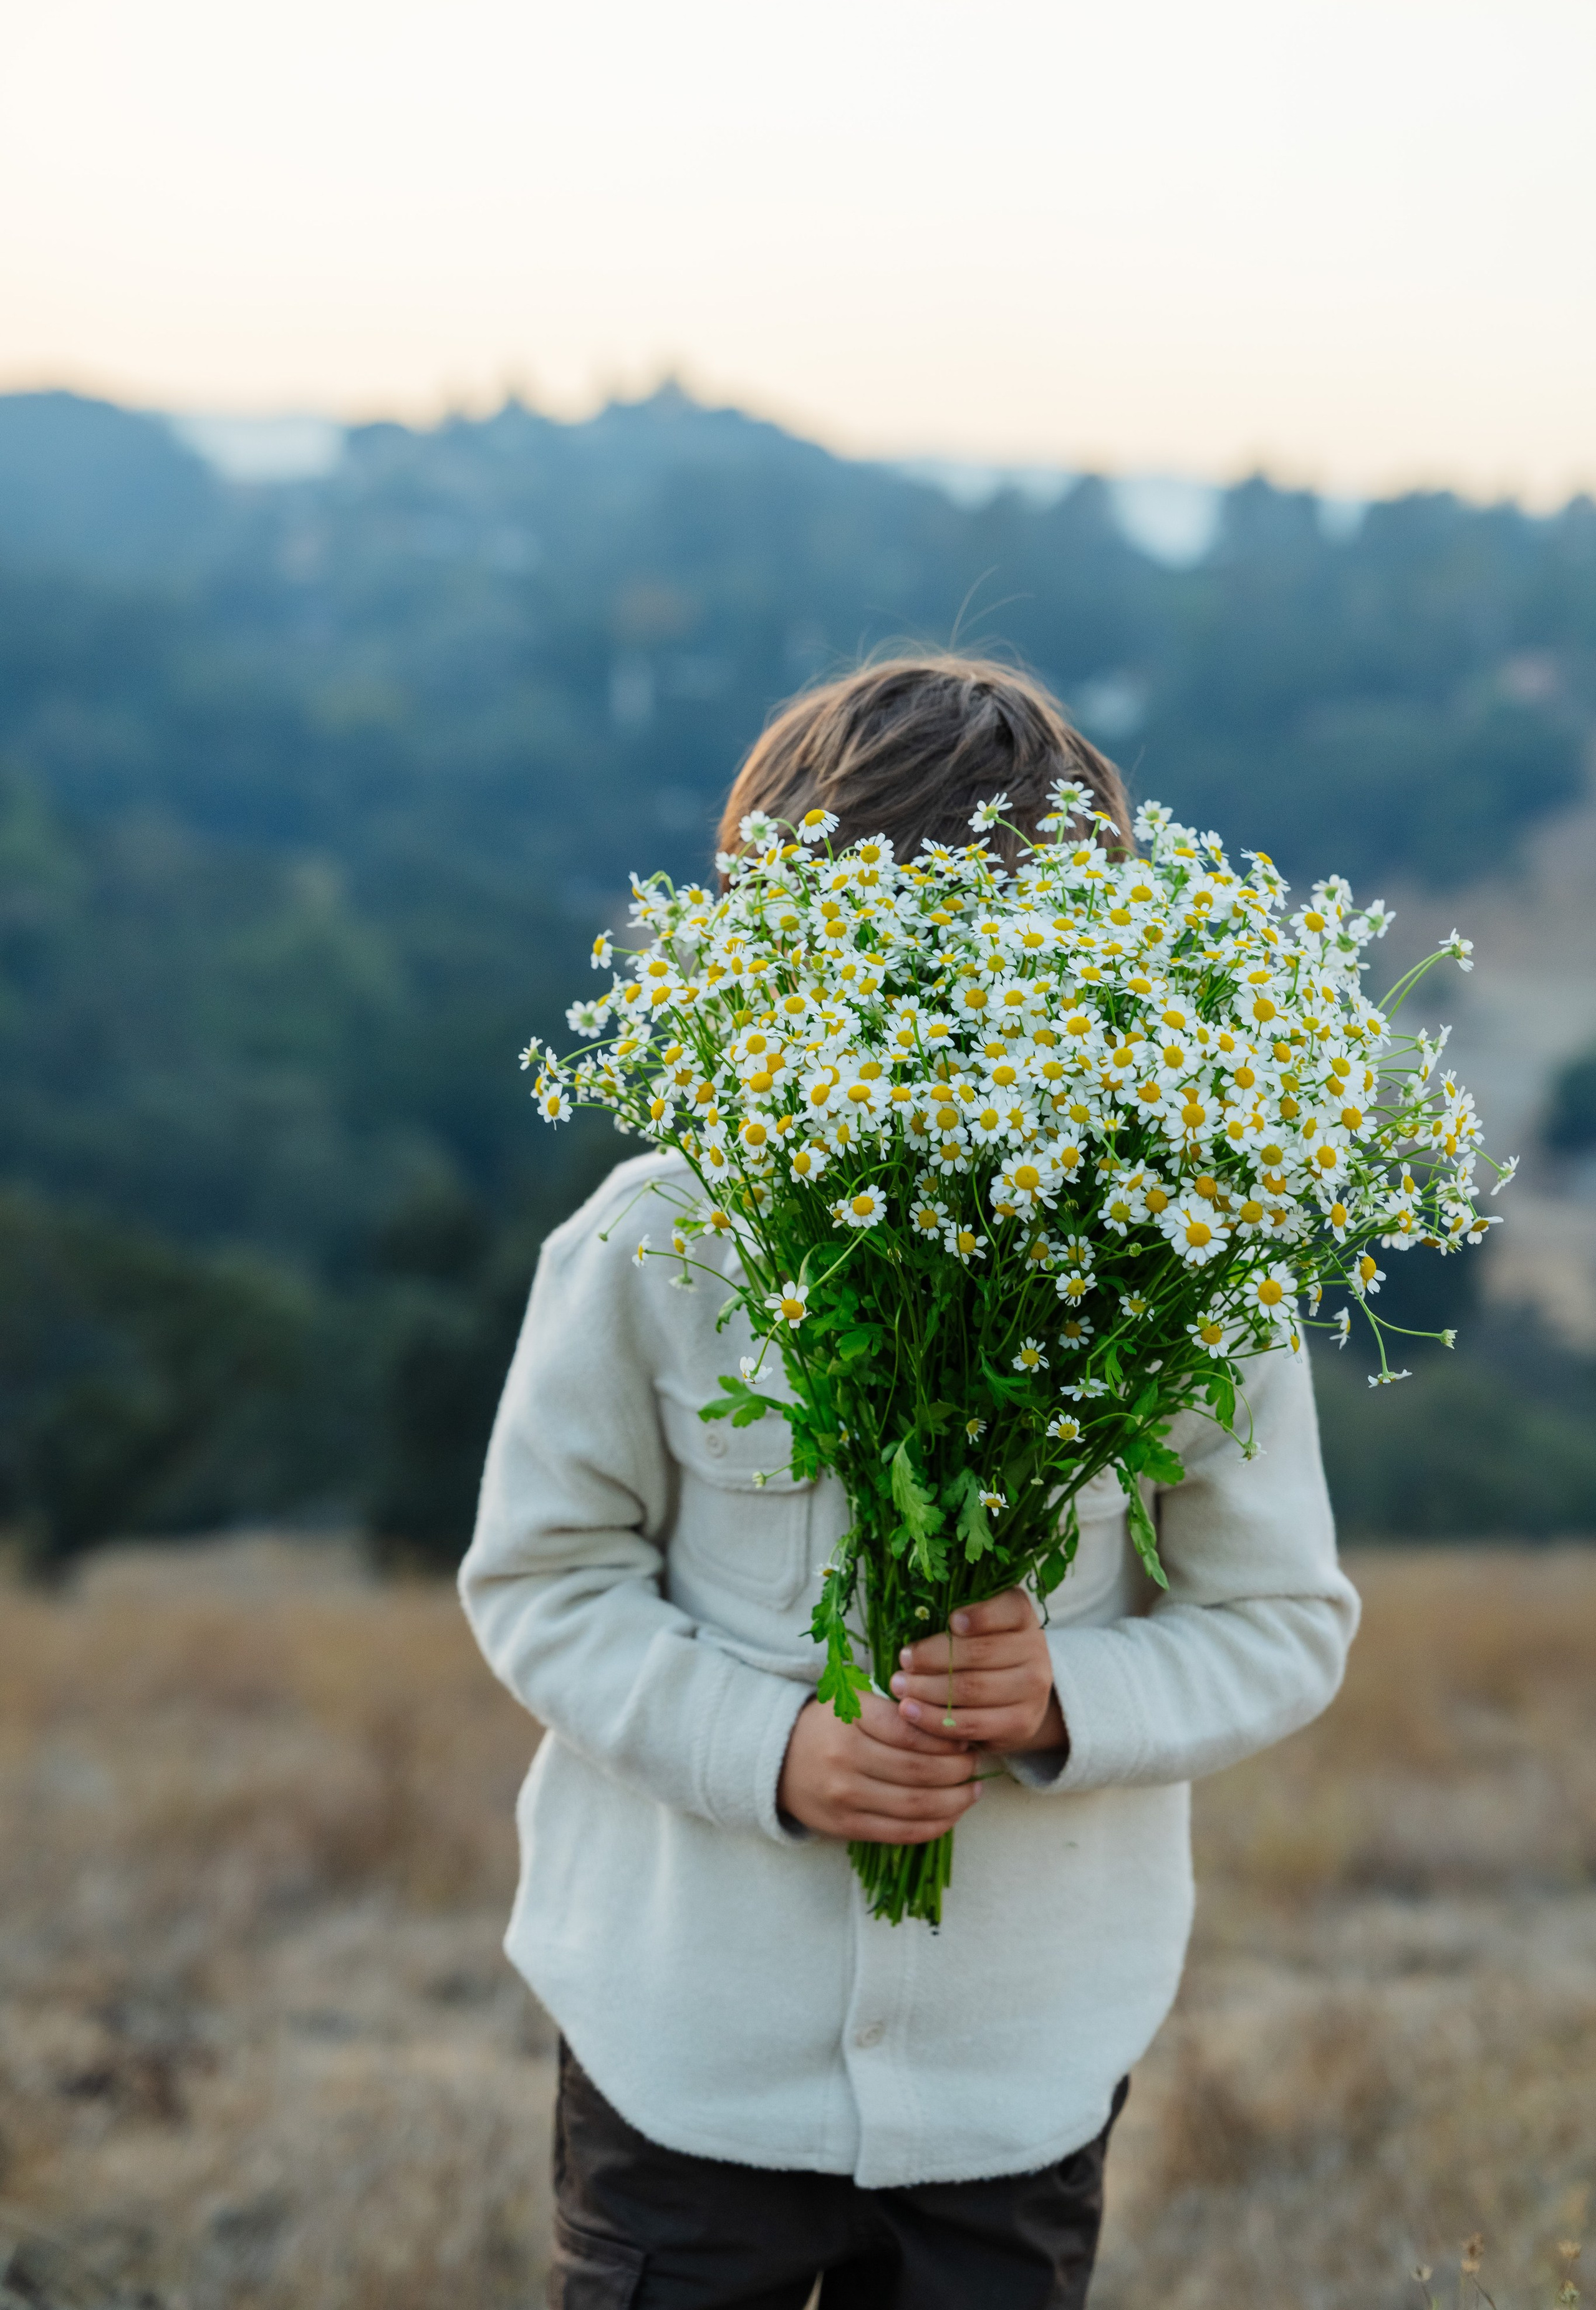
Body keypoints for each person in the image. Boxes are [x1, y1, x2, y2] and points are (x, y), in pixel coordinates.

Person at [460, 655, 1360, 2310]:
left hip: (1015, 2083)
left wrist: (1063, 1694)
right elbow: (542, 1581)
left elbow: (1282, 1622)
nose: (943, 1033)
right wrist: (774, 1755)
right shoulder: (658, 1233)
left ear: (1096, 965)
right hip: (682, 2059)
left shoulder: (1196, 1261)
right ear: (768, 946)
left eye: (1005, 972)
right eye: (875, 963)